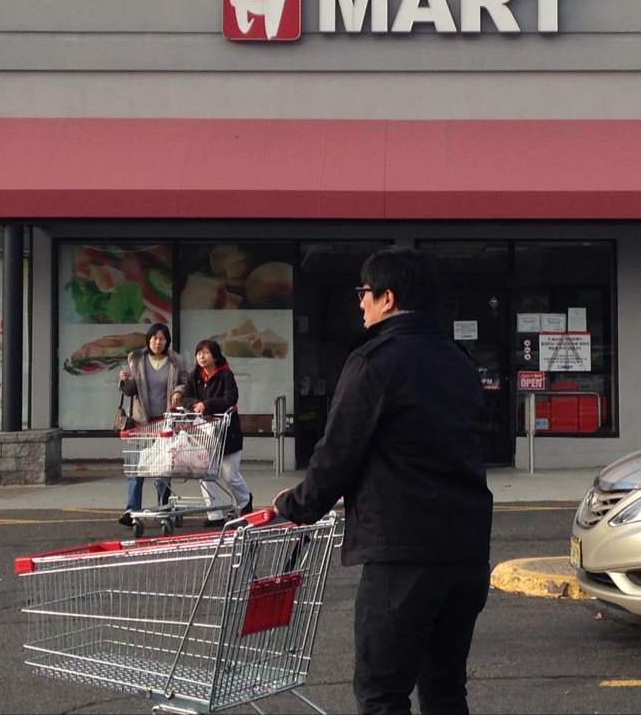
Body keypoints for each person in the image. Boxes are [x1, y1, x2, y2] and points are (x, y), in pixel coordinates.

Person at [273, 246, 494, 715]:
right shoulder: (459, 361)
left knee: (382, 694)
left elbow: (337, 453)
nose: (360, 303)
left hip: (403, 552)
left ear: (387, 298)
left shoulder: (375, 360)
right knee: (446, 691)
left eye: (364, 293)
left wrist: (295, 506)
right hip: (466, 549)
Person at [117, 322, 188, 526]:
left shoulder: (175, 361)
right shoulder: (136, 359)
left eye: (162, 338)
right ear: (149, 339)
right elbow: (132, 390)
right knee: (136, 468)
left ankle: (163, 507)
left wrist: (178, 391)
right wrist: (124, 381)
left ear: (167, 341)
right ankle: (131, 509)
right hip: (141, 422)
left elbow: (185, 381)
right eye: (155, 338)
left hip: (165, 423)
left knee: (162, 468)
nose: (158, 342)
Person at [187, 338, 253, 528]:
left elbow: (231, 399)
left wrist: (206, 404)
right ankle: (214, 513)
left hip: (227, 433)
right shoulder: (194, 377)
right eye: (199, 353)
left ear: (215, 355)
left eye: (206, 352)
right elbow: (185, 397)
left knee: (230, 475)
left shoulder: (226, 375)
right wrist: (193, 404)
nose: (202, 356)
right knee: (205, 473)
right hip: (204, 434)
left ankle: (244, 501)